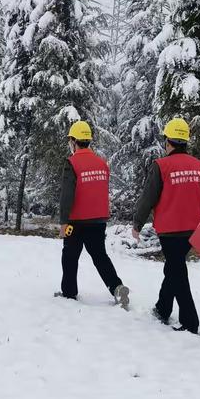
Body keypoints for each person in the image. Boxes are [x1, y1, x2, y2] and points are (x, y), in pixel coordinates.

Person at [132, 118, 200, 334]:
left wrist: (137, 223)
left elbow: (148, 198)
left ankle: (190, 322)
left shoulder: (161, 166)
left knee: (177, 270)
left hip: (170, 230)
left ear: (168, 142)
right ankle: (162, 308)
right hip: (193, 229)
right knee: (174, 266)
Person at [58, 120, 129, 309]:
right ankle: (117, 287)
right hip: (98, 220)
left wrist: (64, 221)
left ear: (73, 141)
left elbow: (67, 195)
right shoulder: (101, 163)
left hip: (76, 220)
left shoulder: (71, 163)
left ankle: (69, 292)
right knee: (100, 256)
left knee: (70, 256)